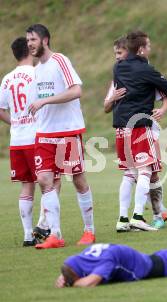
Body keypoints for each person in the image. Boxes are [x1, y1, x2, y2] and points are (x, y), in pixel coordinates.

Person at [26, 24, 96, 248]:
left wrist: (45, 100)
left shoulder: (60, 60)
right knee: (44, 180)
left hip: (67, 131)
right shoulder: (36, 70)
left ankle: (89, 231)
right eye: (28, 40)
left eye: (33, 39)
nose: (30, 44)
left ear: (45, 40)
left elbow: (76, 90)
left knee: (78, 180)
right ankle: (55, 234)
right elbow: (37, 103)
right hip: (45, 133)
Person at [104, 37, 167, 231]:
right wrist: (112, 98)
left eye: (120, 53)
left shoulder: (145, 71)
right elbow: (106, 106)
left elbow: (165, 97)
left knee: (148, 172)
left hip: (143, 127)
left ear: (131, 52)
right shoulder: (120, 74)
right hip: (134, 128)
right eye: (115, 54)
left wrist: (163, 110)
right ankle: (144, 215)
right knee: (145, 171)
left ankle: (153, 214)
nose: (117, 57)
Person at [0, 37, 46, 246]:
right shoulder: (37, 73)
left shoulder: (7, 79)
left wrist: (16, 122)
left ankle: (28, 234)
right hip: (36, 137)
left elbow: (1, 109)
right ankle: (44, 227)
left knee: (26, 186)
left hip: (17, 140)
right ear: (29, 50)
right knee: (48, 183)